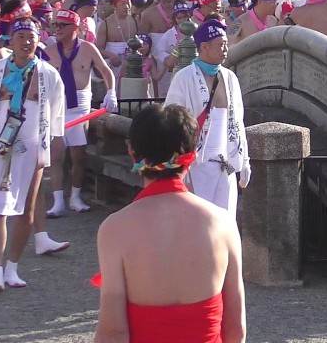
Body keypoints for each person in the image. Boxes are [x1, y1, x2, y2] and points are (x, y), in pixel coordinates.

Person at [95, 104, 246, 342]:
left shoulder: (115, 229)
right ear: (192, 154)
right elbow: (235, 327)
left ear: (132, 152)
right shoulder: (223, 224)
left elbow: (113, 332)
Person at [0, 17, 66, 292]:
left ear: (38, 40)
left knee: (26, 208)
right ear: (11, 41)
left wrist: (52, 145)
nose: (27, 42)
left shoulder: (48, 74)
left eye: (31, 36)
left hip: (31, 145)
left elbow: (56, 113)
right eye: (21, 36)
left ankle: (13, 266)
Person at [164, 19, 250, 216]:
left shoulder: (230, 77)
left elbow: (238, 121)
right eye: (220, 44)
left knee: (226, 219)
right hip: (196, 163)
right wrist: (177, 164)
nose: (225, 49)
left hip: (226, 161)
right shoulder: (184, 78)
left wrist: (244, 160)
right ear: (204, 47)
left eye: (226, 44)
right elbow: (172, 123)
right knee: (198, 220)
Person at [42, 9, 115, 216]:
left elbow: (105, 70)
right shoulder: (49, 51)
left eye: (61, 25)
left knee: (78, 155)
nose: (57, 29)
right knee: (56, 156)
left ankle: (75, 196)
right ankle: (58, 201)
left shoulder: (88, 48)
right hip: (56, 108)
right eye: (55, 25)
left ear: (74, 28)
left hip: (80, 109)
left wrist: (112, 92)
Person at [99, 0, 139, 79]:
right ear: (115, 6)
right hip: (113, 67)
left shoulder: (134, 21)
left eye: (128, 3)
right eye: (122, 3)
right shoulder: (106, 24)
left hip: (130, 66)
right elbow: (99, 49)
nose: (126, 6)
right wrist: (110, 55)